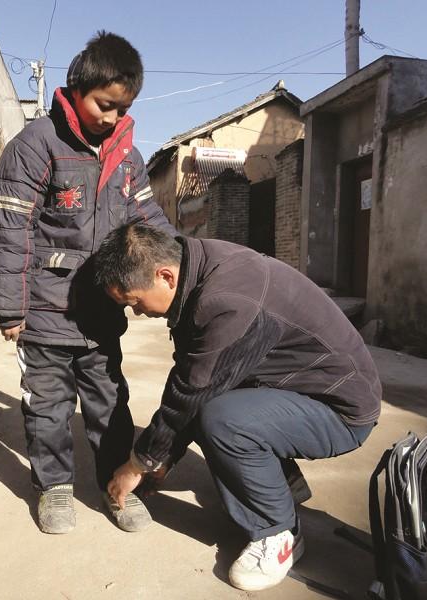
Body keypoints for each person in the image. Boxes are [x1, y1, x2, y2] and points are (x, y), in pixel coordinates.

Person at [94, 223, 381, 591]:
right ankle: (283, 490)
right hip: (298, 389)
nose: (137, 312)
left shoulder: (226, 301)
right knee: (212, 405)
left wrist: (138, 463)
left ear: (164, 275)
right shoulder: (197, 266)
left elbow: (192, 393)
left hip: (340, 411)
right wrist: (164, 456)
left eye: (134, 301)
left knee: (222, 420)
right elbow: (191, 374)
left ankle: (278, 533)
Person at [0, 32, 175, 535]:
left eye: (122, 108)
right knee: (47, 408)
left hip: (100, 314)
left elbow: (148, 219)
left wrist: (183, 262)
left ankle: (117, 484)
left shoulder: (127, 159)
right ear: (76, 87)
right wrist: (9, 308)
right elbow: (7, 225)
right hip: (44, 313)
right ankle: (54, 488)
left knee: (110, 406)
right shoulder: (36, 146)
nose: (111, 118)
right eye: (104, 105)